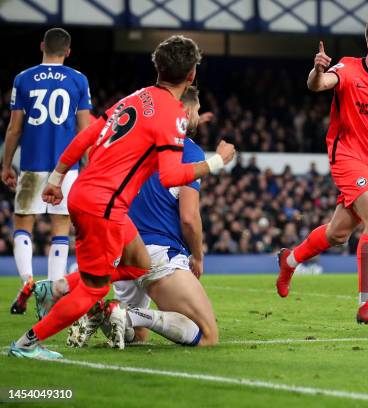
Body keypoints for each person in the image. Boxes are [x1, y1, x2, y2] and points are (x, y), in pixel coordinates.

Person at [8, 35, 235, 360]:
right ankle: (27, 343)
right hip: (106, 206)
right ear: (191, 75)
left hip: (86, 192)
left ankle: (57, 287)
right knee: (93, 289)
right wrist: (217, 162)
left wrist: (58, 176)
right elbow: (171, 175)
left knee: (139, 264)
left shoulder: (136, 97)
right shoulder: (172, 113)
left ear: (158, 68)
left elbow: (87, 133)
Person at [275, 17, 368, 324]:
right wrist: (317, 70)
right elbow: (318, 85)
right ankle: (367, 304)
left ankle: (290, 260)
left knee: (337, 233)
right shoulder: (348, 69)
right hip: (347, 157)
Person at [67, 86, 218, 347]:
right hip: (159, 254)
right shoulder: (189, 150)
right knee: (207, 336)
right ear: (187, 110)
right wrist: (198, 256)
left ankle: (113, 314)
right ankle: (127, 314)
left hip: (124, 249)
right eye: (197, 110)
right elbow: (189, 217)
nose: (198, 117)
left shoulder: (137, 140)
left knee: (136, 338)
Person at [2, 28, 91, 314]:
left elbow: (15, 128)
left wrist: (6, 164)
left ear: (42, 45)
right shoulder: (78, 80)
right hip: (66, 169)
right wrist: (87, 165)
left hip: (31, 165)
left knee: (23, 224)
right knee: (60, 230)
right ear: (68, 51)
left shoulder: (23, 78)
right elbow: (84, 129)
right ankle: (50, 291)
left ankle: (27, 280)